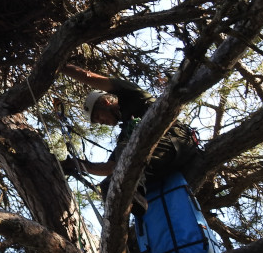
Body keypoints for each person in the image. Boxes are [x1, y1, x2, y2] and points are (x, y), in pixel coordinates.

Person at [59, 64, 197, 212]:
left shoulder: (130, 95)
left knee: (126, 150)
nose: (101, 122)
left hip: (175, 141)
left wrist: (60, 65)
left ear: (105, 102)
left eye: (98, 116)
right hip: (160, 162)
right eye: (98, 121)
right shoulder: (125, 133)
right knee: (108, 185)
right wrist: (76, 164)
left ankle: (133, 191)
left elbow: (89, 77)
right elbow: (109, 168)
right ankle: (124, 218)